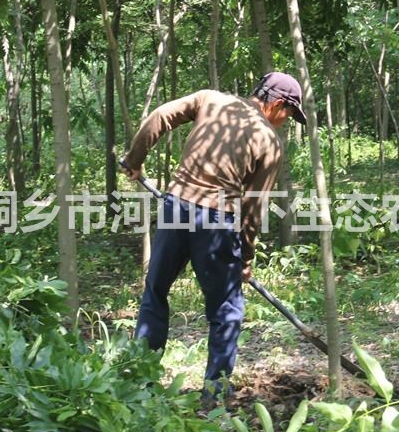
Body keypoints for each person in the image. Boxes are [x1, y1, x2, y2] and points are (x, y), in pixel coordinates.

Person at [121, 71, 306, 402]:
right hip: (216, 221)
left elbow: (160, 116)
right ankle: (215, 393)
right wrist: (245, 259)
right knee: (226, 309)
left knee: (155, 291)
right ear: (277, 104)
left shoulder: (210, 99)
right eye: (289, 113)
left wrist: (135, 160)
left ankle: (138, 381)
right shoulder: (268, 141)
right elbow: (252, 208)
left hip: (175, 207)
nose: (287, 121)